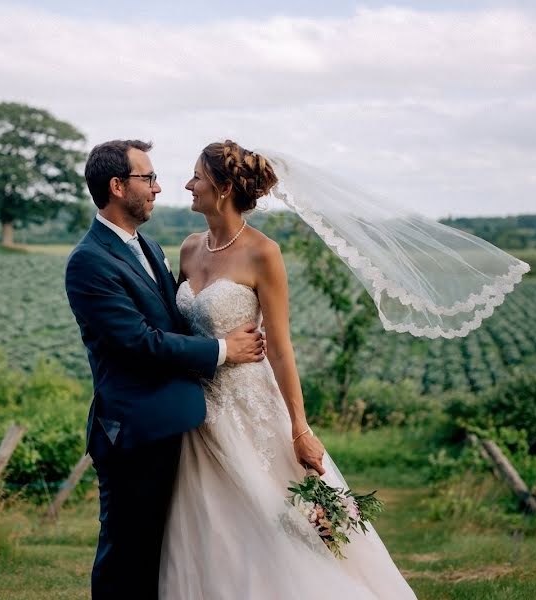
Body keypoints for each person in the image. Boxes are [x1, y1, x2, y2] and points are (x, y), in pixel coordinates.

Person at [159, 140, 418, 598]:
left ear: (220, 189)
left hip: (251, 407)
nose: (187, 185)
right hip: (195, 413)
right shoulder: (188, 248)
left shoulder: (264, 253)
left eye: (196, 176)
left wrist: (300, 427)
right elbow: (174, 329)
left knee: (273, 519)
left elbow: (279, 348)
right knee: (208, 525)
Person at [64, 139, 267, 599]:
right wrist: (222, 350)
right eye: (148, 178)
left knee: (168, 557)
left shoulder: (150, 248)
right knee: (126, 559)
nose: (158, 188)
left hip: (180, 421)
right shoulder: (89, 262)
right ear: (117, 186)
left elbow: (179, 320)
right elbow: (139, 343)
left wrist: (237, 325)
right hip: (133, 431)